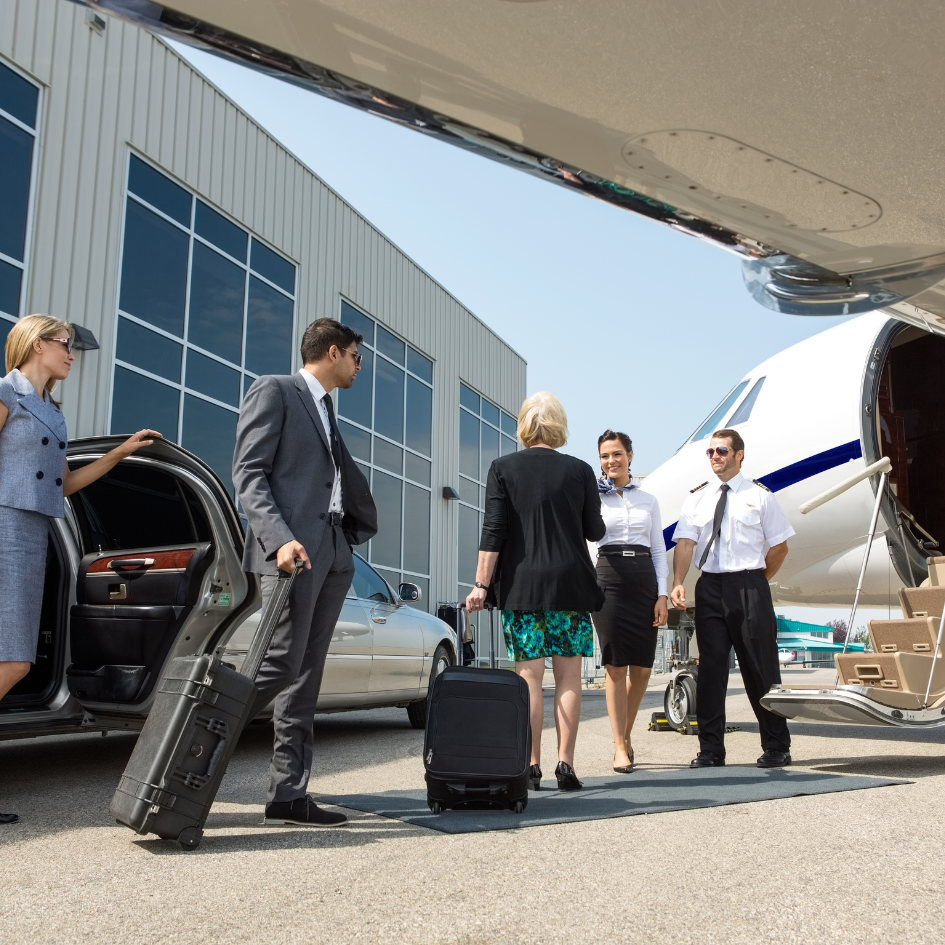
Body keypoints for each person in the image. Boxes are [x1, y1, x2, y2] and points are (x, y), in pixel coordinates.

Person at [0, 315, 161, 824]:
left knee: (13, 659)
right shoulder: (7, 394)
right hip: (4, 528)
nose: (72, 354)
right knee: (14, 663)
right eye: (65, 345)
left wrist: (120, 453)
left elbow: (65, 485)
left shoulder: (53, 412)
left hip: (32, 536)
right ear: (35, 343)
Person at [234, 317, 377, 827]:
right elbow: (248, 474)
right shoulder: (276, 391)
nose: (361, 367)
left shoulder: (325, 408)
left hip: (334, 549)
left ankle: (288, 793)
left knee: (307, 672)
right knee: (281, 665)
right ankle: (193, 741)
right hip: (293, 550)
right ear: (334, 352)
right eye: (358, 358)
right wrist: (279, 539)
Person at [466, 392, 605, 792]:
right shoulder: (579, 471)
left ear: (525, 425)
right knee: (569, 678)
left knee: (529, 678)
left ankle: (531, 765)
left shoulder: (502, 468)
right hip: (571, 587)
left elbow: (494, 532)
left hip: (522, 588)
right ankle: (567, 765)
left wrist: (480, 585)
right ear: (559, 425)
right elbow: (595, 531)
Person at [670, 428, 794, 768]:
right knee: (710, 670)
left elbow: (780, 546)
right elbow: (685, 543)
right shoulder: (697, 497)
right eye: (710, 452)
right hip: (709, 588)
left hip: (749, 585)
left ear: (739, 454)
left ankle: (776, 746)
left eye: (721, 451)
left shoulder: (760, 496)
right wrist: (678, 581)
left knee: (761, 669)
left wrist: (755, 583)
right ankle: (711, 749)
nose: (715, 457)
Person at [594, 430, 668, 773]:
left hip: (643, 581)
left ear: (630, 456)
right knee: (615, 666)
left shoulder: (648, 500)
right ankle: (619, 747)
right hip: (608, 578)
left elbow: (657, 549)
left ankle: (624, 734)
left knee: (642, 669)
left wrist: (662, 594)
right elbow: (586, 543)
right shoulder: (592, 498)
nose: (611, 461)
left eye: (617, 454)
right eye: (605, 456)